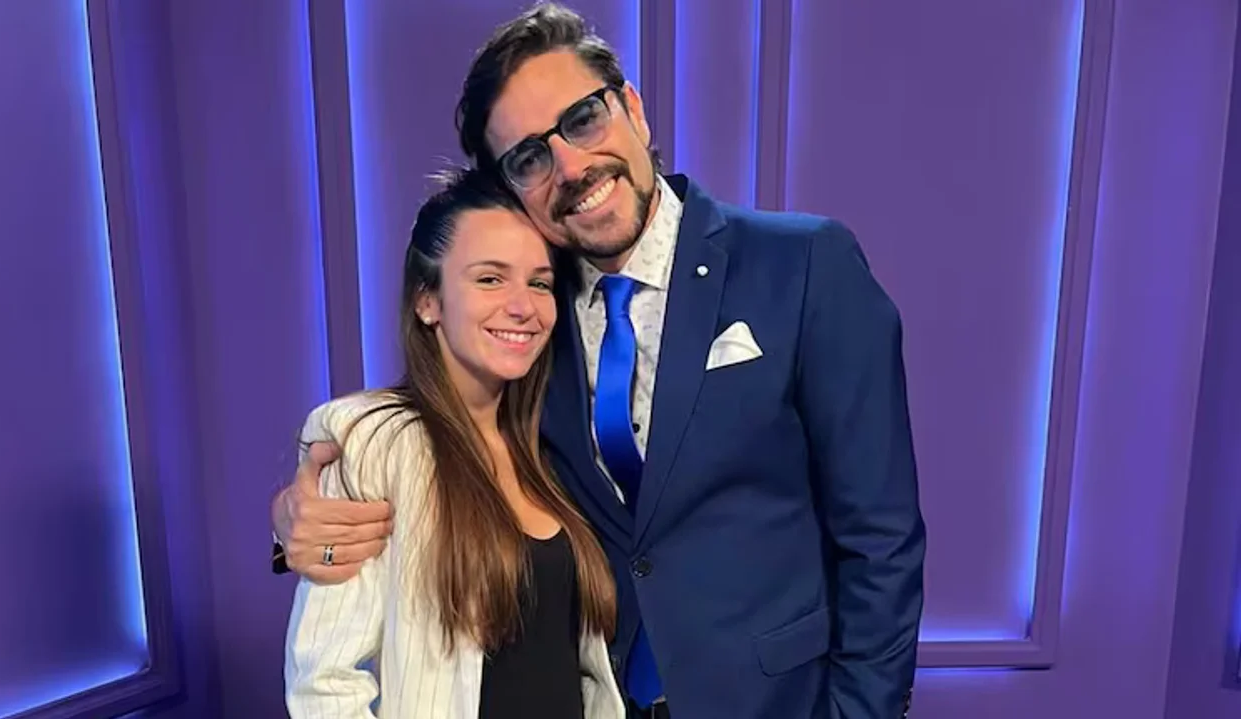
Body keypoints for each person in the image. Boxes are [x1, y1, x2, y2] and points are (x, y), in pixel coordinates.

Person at [274, 4, 926, 717]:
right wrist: (295, 521)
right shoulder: (526, 315)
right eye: (529, 157)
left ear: (632, 110)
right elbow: (435, 446)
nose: (571, 166)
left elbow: (881, 537)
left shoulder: (802, 263)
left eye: (583, 119)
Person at [283, 167, 626, 719]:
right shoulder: (374, 439)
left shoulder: (550, 441)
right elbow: (323, 684)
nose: (523, 306)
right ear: (428, 301)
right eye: (490, 279)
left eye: (539, 283)